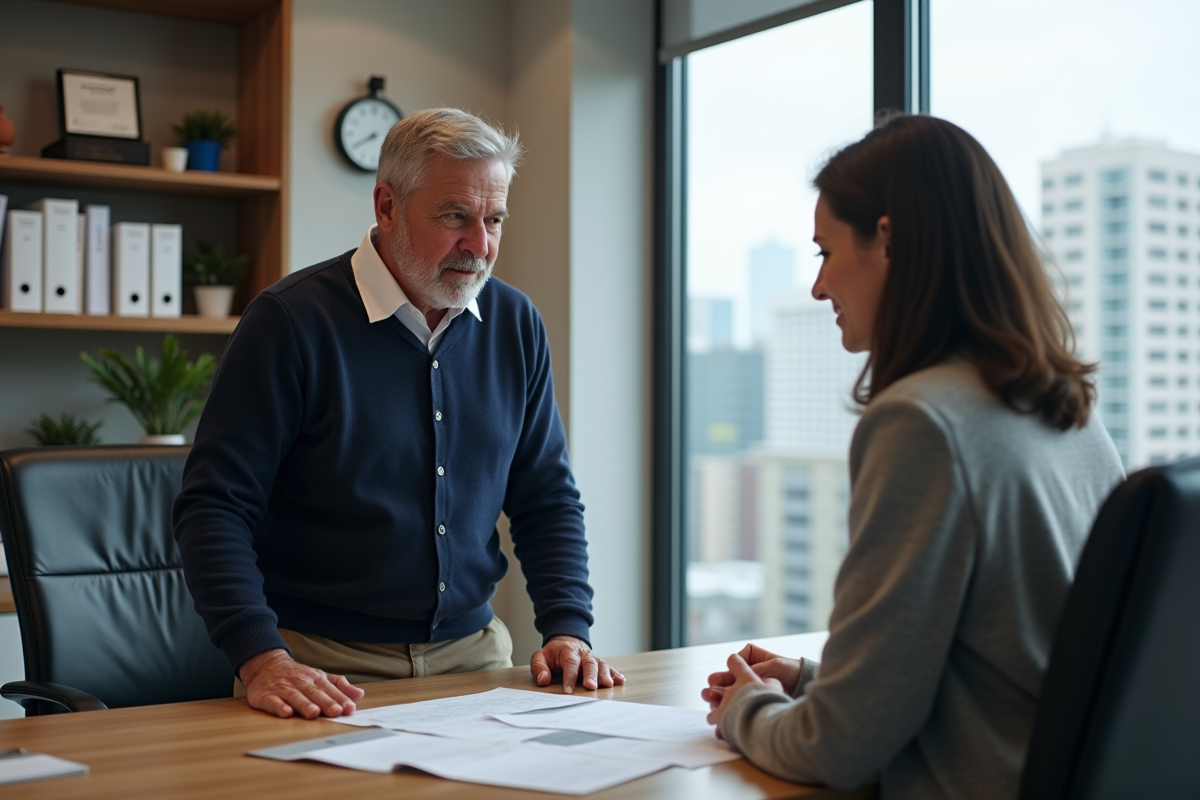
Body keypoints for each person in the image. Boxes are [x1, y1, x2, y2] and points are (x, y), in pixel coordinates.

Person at [701, 114, 1124, 799]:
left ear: (888, 240)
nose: (817, 287)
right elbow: (1010, 658)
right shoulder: (1066, 406)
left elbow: (838, 748)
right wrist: (812, 680)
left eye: (825, 252)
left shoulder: (922, 420)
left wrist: (744, 708)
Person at [173, 107, 623, 721]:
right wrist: (261, 658)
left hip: (476, 657)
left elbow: (546, 496)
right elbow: (214, 505)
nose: (481, 245)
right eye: (455, 217)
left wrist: (568, 628)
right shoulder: (290, 322)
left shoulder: (516, 324)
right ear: (387, 206)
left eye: (494, 220)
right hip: (319, 668)